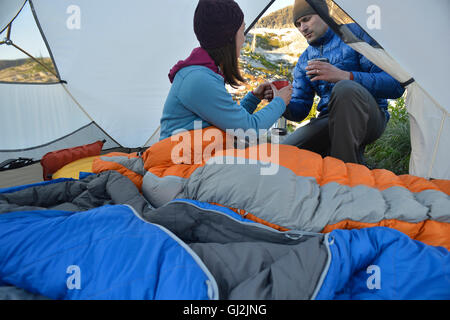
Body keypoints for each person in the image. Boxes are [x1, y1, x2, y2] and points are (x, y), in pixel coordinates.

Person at [282, 0, 405, 164]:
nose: (302, 28)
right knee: (284, 152)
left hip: (370, 115)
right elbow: (300, 111)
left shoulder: (355, 34)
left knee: (344, 88)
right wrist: (280, 101)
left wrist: (345, 76)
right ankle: (347, 163)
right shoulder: (304, 59)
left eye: (306, 19)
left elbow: (395, 85)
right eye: (298, 24)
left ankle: (345, 173)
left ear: (324, 14)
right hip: (328, 119)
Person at [159, 0, 293, 141]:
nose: (244, 38)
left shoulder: (202, 73)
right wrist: (280, 101)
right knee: (287, 160)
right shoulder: (199, 80)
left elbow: (230, 123)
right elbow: (249, 130)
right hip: (179, 161)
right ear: (229, 37)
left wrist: (254, 98)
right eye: (242, 30)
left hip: (191, 156)